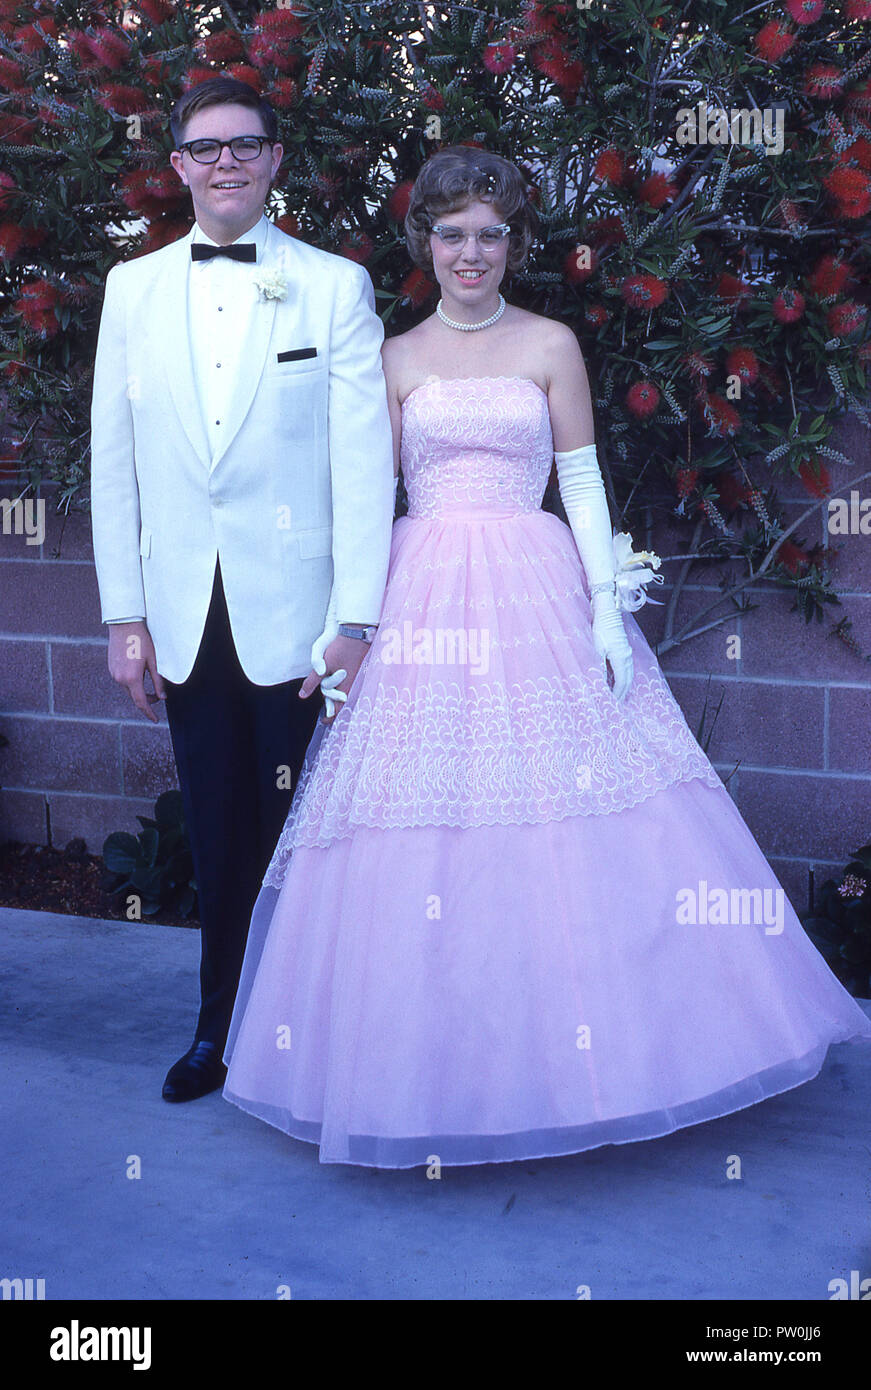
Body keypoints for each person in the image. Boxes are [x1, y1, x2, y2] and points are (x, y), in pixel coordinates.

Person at [221, 146, 871, 1168]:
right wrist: (342, 617)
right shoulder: (392, 358)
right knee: (421, 826)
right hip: (421, 585)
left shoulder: (552, 342)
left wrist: (607, 619)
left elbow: (582, 482)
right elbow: (363, 499)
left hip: (537, 581)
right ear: (423, 244)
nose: (470, 252)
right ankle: (434, 1074)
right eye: (451, 234)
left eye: (489, 233)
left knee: (581, 817)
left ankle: (598, 1067)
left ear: (514, 243)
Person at [89, 77, 394, 1103]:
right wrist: (124, 619)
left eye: (246, 145)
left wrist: (355, 618)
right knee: (220, 833)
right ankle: (217, 1030)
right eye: (205, 147)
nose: (227, 161)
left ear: (274, 160)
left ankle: (321, 1040)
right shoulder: (130, 291)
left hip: (304, 626)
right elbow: (113, 463)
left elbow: (362, 468)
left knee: (314, 837)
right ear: (177, 164)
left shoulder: (334, 286)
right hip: (185, 620)